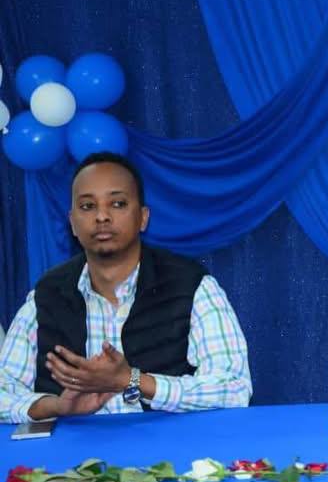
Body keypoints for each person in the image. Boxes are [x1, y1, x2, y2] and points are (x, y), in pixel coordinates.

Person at [0, 152, 252, 423]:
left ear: (143, 217)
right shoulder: (47, 295)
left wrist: (132, 380)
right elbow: (4, 390)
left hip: (167, 445)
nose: (102, 216)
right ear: (72, 222)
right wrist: (56, 407)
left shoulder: (193, 286)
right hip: (75, 447)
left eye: (118, 203)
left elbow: (234, 388)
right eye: (88, 206)